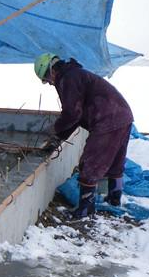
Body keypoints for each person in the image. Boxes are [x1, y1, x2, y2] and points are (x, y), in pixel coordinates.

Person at [34, 52, 133, 219]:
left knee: (89, 164)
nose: (49, 83)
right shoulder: (74, 74)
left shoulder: (68, 79)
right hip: (123, 116)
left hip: (107, 120)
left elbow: (72, 114)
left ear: (52, 71)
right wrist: (60, 137)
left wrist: (55, 131)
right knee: (115, 163)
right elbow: (76, 116)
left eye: (46, 79)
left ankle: (85, 209)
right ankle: (114, 199)